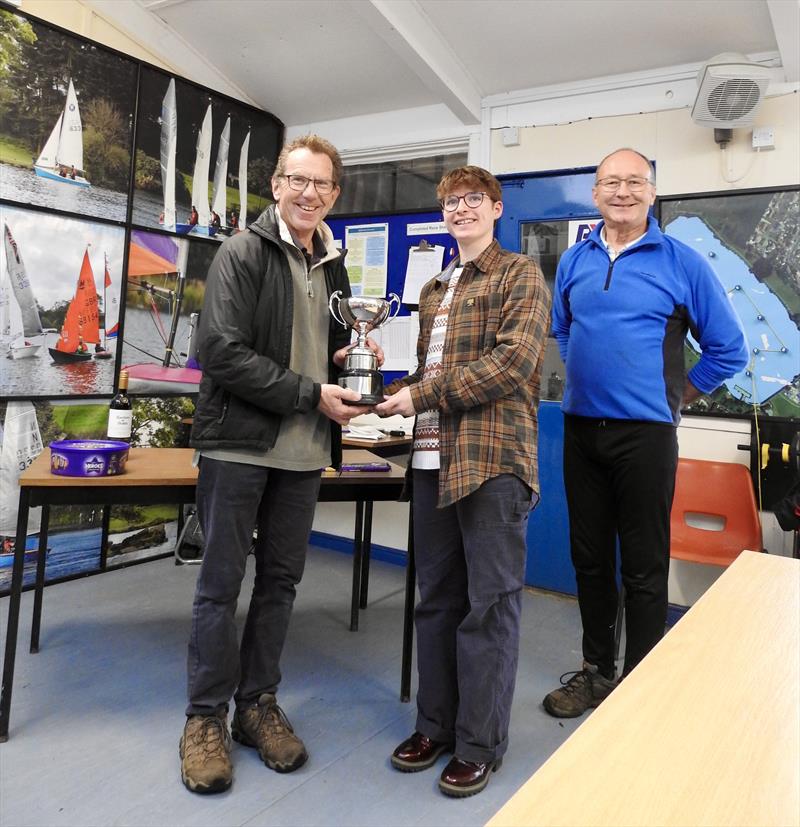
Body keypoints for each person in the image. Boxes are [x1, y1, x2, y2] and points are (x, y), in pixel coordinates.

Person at [181, 134, 380, 795]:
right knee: (219, 585)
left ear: (334, 195)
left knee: (280, 585)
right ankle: (204, 717)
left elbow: (329, 348)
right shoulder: (240, 251)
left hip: (303, 455)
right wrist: (309, 392)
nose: (309, 193)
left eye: (322, 184)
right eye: (298, 180)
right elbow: (221, 352)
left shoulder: (336, 267)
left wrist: (356, 357)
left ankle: (256, 704)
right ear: (276, 185)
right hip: (237, 447)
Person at [544, 148, 748, 718]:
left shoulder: (682, 262)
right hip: (582, 431)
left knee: (643, 563)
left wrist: (676, 393)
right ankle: (595, 671)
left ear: (652, 193)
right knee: (588, 558)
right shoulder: (574, 260)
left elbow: (730, 349)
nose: (622, 191)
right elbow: (563, 330)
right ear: (595, 194)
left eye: (635, 182)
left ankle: (641, 681)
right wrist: (589, 374)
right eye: (611, 182)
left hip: (647, 437)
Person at [376, 166, 551, 797]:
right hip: (430, 462)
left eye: (473, 199)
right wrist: (375, 390)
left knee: (490, 606)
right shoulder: (434, 287)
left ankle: (479, 743)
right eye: (451, 201)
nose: (461, 209)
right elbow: (429, 373)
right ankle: (435, 725)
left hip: (492, 463)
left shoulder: (520, 275)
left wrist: (422, 391)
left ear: (497, 208)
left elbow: (513, 363)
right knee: (435, 601)